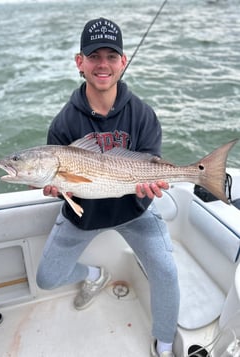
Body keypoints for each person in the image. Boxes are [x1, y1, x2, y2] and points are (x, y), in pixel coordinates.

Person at [36, 17, 180, 357]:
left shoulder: (143, 115)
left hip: (135, 211)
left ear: (122, 61)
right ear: (80, 63)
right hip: (83, 216)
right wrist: (57, 187)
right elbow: (62, 186)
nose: (103, 64)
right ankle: (95, 273)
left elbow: (151, 166)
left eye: (111, 56)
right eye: (94, 55)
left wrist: (149, 187)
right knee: (46, 278)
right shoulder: (63, 124)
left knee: (166, 270)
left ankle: (166, 342)